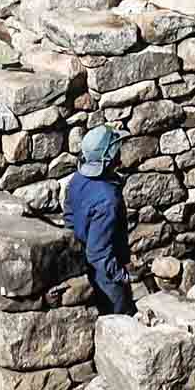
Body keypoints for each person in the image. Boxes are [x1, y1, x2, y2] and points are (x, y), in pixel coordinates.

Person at [62, 124, 133, 315]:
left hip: (83, 259)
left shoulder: (77, 179)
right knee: (119, 321)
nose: (121, 153)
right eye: (117, 150)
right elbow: (99, 253)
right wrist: (123, 276)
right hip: (105, 274)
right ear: (108, 159)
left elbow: (69, 218)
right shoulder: (107, 200)